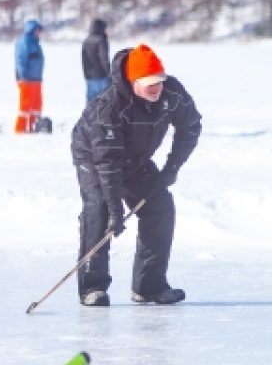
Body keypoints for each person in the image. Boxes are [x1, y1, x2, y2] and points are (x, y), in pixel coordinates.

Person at [71, 43, 203, 306]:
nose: (157, 88)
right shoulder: (109, 107)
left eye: (160, 82)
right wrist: (116, 209)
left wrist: (171, 169)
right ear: (133, 82)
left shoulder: (172, 93)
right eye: (150, 83)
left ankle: (149, 286)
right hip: (95, 157)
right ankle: (92, 287)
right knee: (100, 212)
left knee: (160, 207)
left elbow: (190, 125)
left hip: (136, 157)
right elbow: (107, 162)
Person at [14, 18, 45, 133]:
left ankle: (33, 128)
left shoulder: (36, 43)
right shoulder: (24, 42)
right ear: (31, 30)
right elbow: (20, 61)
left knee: (36, 106)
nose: (39, 32)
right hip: (26, 80)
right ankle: (20, 130)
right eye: (37, 30)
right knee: (25, 106)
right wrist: (23, 77)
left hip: (36, 79)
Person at [81, 18, 111, 102]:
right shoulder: (101, 40)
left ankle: (89, 116)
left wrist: (86, 74)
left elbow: (84, 59)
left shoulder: (86, 41)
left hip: (89, 77)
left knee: (90, 103)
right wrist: (109, 73)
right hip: (101, 77)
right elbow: (104, 59)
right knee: (104, 102)